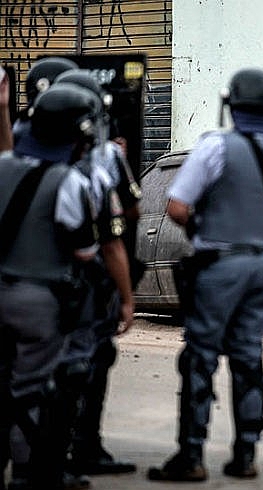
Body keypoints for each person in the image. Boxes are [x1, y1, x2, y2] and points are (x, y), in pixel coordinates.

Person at [147, 68, 263, 482]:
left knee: (200, 356)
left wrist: (210, 228)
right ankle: (246, 453)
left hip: (220, 265)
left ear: (231, 106)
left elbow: (177, 208)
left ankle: (192, 454)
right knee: (248, 355)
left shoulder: (215, 146)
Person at [0, 84, 100, 490]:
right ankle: (25, 471)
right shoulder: (69, 182)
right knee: (30, 388)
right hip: (38, 300)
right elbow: (85, 250)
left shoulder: (2, 165)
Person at [52, 69, 140, 477]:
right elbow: (120, 226)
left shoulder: (17, 152)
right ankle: (80, 448)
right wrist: (126, 297)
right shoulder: (107, 158)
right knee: (88, 361)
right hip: (87, 281)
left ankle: (35, 453)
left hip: (31, 281)